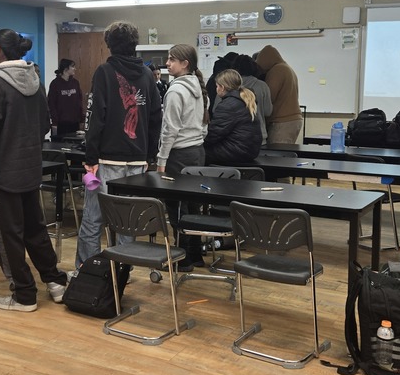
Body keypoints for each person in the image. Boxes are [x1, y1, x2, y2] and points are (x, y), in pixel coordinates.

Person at [0, 29, 70, 311]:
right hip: (30, 168)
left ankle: (24, 294)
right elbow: (43, 124)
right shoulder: (34, 80)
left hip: (4, 171)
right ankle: (55, 282)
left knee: (7, 235)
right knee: (35, 229)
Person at [76, 21, 161, 271]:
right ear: (135, 45)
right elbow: (156, 117)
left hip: (107, 159)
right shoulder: (147, 75)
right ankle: (123, 270)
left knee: (93, 220)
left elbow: (95, 118)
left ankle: (88, 270)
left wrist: (90, 156)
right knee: (128, 221)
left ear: (109, 45)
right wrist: (149, 155)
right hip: (137, 161)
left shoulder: (104, 72)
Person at [156, 43, 208, 270]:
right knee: (193, 206)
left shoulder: (176, 90)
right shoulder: (199, 86)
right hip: (197, 151)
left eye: (171, 59)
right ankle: (195, 255)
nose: (167, 63)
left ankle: (182, 259)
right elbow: (205, 124)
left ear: (185, 64)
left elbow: (170, 129)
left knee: (177, 207)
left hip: (178, 154)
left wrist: (161, 161)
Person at [205, 69, 262, 164]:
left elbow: (214, 134)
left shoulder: (227, 105)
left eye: (217, 86)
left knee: (198, 154)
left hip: (236, 152)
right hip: (249, 151)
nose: (216, 89)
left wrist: (199, 143)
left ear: (222, 87)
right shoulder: (244, 100)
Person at [255, 44, 302, 146]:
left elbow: (269, 97)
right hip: (293, 119)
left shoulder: (277, 70)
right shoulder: (287, 68)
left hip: (282, 121)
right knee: (285, 155)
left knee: (278, 157)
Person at [232, 54, 272, 147]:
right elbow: (268, 111)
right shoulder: (262, 86)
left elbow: (216, 109)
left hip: (234, 138)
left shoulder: (229, 86)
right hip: (258, 136)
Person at [47, 58, 83, 141]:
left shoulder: (75, 83)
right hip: (61, 124)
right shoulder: (55, 84)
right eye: (73, 67)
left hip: (74, 123)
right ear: (66, 69)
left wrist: (81, 119)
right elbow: (52, 104)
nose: (75, 69)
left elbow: (79, 101)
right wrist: (54, 122)